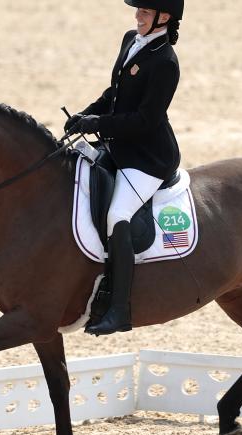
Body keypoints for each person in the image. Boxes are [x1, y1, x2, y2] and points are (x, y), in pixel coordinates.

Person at [65, 0, 184, 336]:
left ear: (164, 17)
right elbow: (114, 93)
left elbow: (146, 121)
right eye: (139, 11)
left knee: (118, 215)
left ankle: (119, 310)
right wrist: (84, 116)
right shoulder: (130, 39)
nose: (137, 16)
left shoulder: (165, 63)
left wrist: (99, 122)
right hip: (119, 145)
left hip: (148, 157)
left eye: (145, 12)